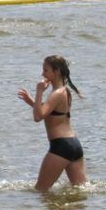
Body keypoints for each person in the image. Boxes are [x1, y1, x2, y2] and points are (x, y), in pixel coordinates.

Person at [17, 55, 86, 192]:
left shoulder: (56, 93)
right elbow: (51, 113)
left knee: (40, 190)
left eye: (46, 70)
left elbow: (38, 117)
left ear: (57, 71)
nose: (42, 74)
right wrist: (32, 102)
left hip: (61, 147)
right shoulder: (64, 91)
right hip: (74, 145)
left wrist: (39, 92)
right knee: (80, 191)